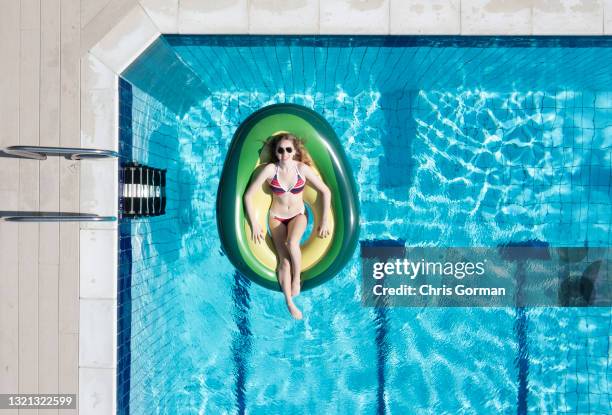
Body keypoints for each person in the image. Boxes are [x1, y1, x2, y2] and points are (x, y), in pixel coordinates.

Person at [243, 132, 331, 320]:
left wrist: (323, 219)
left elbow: (325, 191)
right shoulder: (270, 170)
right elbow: (248, 196)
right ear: (276, 152)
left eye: (288, 150)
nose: (284, 153)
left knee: (291, 244)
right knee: (283, 260)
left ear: (294, 151)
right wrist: (255, 223)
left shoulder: (302, 169)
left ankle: (296, 278)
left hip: (298, 214)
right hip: (276, 217)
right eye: (280, 150)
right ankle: (289, 302)